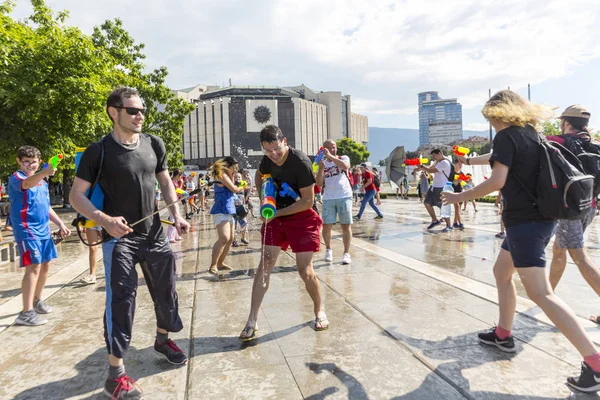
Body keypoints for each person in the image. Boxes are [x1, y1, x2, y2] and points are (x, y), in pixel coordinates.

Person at [443, 90, 600, 393]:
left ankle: (595, 363)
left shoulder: (506, 136)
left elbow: (497, 181)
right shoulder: (530, 133)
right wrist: (467, 158)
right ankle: (503, 334)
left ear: (499, 113)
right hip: (538, 218)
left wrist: (459, 196)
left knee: (541, 293)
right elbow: (497, 158)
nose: (491, 124)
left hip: (525, 223)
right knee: (502, 273)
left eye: (491, 118)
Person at [70, 87, 190, 400]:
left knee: (166, 293)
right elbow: (76, 196)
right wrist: (105, 220)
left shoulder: (154, 143)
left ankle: (163, 340)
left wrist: (176, 214)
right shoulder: (100, 151)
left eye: (142, 111)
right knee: (121, 301)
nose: (140, 116)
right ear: (114, 111)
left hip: (154, 234)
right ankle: (116, 375)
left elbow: (165, 182)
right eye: (133, 110)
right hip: (118, 239)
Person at [239, 125, 327, 341]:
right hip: (276, 215)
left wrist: (277, 213)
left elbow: (309, 201)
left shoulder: (300, 162)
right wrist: (264, 198)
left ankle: (319, 310)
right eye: (268, 151)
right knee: (265, 264)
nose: (274, 155)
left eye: (277, 149)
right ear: (262, 147)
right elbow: (260, 177)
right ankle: (252, 319)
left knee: (304, 270)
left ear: (284, 141)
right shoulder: (267, 159)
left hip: (302, 216)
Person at [546, 105, 600, 324]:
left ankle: (545, 295)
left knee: (579, 256)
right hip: (591, 204)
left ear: (566, 122)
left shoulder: (556, 141)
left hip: (570, 209)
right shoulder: (595, 144)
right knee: (559, 248)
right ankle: (547, 294)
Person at [9, 145, 71, 326]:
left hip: (43, 230)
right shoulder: (16, 178)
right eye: (26, 162)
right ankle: (25, 312)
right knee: (33, 267)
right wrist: (45, 172)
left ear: (38, 162)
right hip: (26, 230)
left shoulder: (43, 183)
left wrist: (60, 223)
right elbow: (27, 184)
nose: (29, 165)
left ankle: (36, 301)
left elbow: (46, 206)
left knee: (46, 266)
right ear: (19, 161)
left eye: (33, 162)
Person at [316, 139, 353, 265]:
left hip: (344, 195)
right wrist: (321, 169)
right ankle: (328, 249)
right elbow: (319, 184)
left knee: (345, 225)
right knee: (327, 226)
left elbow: (345, 166)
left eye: (334, 147)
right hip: (328, 197)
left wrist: (331, 156)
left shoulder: (343, 158)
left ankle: (346, 253)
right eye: (331, 147)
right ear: (324, 148)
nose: (334, 149)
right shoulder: (322, 163)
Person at [208, 157, 242, 274]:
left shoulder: (228, 176)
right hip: (221, 210)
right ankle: (213, 265)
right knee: (224, 238)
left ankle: (220, 263)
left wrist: (233, 175)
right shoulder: (222, 176)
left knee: (230, 239)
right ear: (228, 166)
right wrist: (241, 187)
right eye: (234, 167)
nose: (236, 169)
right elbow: (234, 189)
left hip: (229, 210)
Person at [417, 149, 452, 231]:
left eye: (434, 156)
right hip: (434, 186)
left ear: (439, 153)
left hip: (441, 187)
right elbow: (429, 168)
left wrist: (423, 167)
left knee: (442, 207)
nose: (433, 158)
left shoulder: (444, 162)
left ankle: (449, 225)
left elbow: (431, 170)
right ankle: (435, 220)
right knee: (427, 203)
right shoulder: (438, 162)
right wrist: (421, 168)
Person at [232, 172, 249, 247]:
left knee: (244, 224)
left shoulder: (243, 187)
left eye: (239, 177)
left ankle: (243, 237)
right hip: (233, 208)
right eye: (235, 177)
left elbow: (244, 197)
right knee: (234, 225)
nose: (237, 179)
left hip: (241, 208)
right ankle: (234, 240)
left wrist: (245, 205)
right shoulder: (231, 186)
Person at [451, 160, 464, 230]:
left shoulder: (461, 173)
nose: (461, 165)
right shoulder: (452, 173)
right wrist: (457, 181)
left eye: (461, 164)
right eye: (459, 164)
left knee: (458, 209)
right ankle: (460, 223)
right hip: (453, 192)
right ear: (455, 164)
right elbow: (450, 183)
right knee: (457, 207)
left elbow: (462, 183)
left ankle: (455, 222)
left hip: (460, 192)